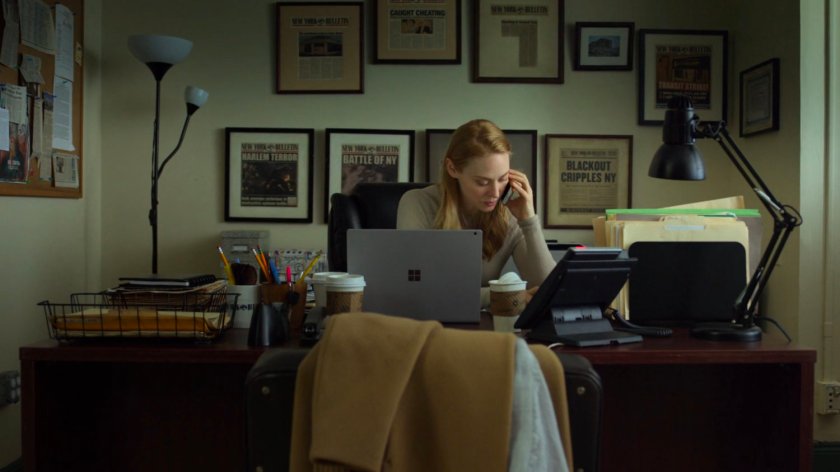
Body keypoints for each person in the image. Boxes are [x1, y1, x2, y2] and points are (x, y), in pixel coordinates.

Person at [397, 119, 555, 307]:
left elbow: (548, 290)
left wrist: (528, 220)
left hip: (487, 326)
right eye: (482, 182)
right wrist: (498, 295)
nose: (495, 193)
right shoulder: (418, 203)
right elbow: (415, 290)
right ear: (452, 168)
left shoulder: (509, 212)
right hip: (430, 325)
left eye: (503, 179)